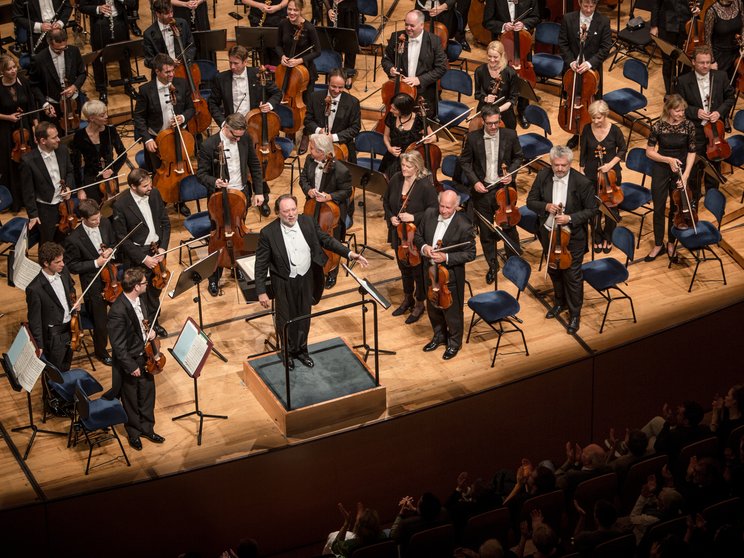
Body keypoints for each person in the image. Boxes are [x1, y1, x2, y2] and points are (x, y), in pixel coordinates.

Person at [254, 194, 368, 370]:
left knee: (304, 316)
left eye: (293, 209)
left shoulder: (308, 222)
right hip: (284, 281)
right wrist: (261, 291)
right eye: (286, 211)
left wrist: (350, 253)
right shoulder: (268, 233)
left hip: (306, 277)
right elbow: (260, 264)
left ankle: (301, 350)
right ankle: (287, 353)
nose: (291, 214)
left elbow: (327, 240)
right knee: (285, 319)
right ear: (278, 213)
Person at [526, 145, 597, 334]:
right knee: (554, 270)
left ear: (570, 164)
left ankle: (575, 314)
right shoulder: (543, 176)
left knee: (572, 277)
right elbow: (530, 202)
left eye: (563, 165)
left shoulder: (582, 182)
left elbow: (592, 210)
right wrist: (546, 206)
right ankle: (560, 302)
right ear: (551, 163)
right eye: (556, 165)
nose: (559, 169)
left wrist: (570, 218)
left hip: (572, 237)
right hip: (548, 233)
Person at [196, 113, 264, 295]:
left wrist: (259, 191)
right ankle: (214, 276)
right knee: (217, 239)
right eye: (235, 136)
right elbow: (201, 174)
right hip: (218, 200)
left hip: (241, 196)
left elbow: (254, 164)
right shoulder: (209, 145)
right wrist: (214, 181)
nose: (237, 139)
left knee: (239, 234)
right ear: (225, 127)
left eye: (240, 136)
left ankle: (238, 266)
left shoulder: (244, 138)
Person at [460, 105, 524, 284]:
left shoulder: (510, 135)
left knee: (509, 226)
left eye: (496, 123)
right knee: (487, 233)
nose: (494, 127)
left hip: (505, 191)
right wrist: (475, 182)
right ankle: (493, 264)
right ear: (483, 122)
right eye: (490, 124)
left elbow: (519, 157)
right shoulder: (473, 138)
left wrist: (510, 173)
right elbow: (464, 161)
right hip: (484, 190)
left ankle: (514, 261)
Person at [107, 266, 166, 451]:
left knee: (148, 394)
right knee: (131, 398)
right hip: (130, 361)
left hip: (146, 355)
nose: (147, 284)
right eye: (144, 283)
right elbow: (117, 345)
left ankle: (148, 428)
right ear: (135, 287)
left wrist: (150, 332)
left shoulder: (141, 300)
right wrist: (131, 365)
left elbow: (144, 324)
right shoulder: (118, 310)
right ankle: (134, 432)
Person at [415, 189, 476, 360]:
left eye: (448, 207)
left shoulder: (464, 225)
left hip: (450, 277)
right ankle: (439, 336)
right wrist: (424, 247)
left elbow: (470, 253)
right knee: (433, 307)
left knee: (452, 313)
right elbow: (418, 236)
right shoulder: (429, 214)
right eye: (441, 206)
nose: (443, 210)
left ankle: (455, 343)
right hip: (430, 271)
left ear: (456, 206)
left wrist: (446, 257)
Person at [133, 53, 194, 216]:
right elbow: (138, 117)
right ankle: (160, 202)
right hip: (156, 139)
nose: (171, 75)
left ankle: (181, 201)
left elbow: (191, 109)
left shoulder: (181, 84)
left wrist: (182, 117)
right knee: (159, 172)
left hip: (177, 137)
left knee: (180, 170)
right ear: (157, 71)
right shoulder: (146, 90)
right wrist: (146, 139)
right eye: (167, 72)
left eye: (172, 71)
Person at [111, 168, 170, 338]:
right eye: (145, 186)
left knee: (155, 290)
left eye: (150, 184)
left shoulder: (155, 193)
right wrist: (144, 258)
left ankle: (154, 322)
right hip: (138, 254)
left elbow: (165, 223)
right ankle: (146, 327)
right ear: (133, 186)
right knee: (142, 294)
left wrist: (163, 248)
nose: (150, 188)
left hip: (157, 248)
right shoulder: (121, 204)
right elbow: (122, 239)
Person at [383, 150, 439, 324]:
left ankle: (420, 303)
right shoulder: (396, 179)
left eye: (408, 166)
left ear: (417, 167)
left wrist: (414, 217)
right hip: (399, 235)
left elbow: (434, 211)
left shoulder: (425, 185)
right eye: (403, 165)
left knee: (418, 272)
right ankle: (408, 298)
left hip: (417, 236)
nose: (404, 168)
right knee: (404, 268)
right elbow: (386, 201)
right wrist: (391, 216)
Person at [676, 45, 735, 202]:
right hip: (695, 129)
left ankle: (712, 196)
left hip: (715, 129)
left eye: (708, 62)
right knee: (695, 165)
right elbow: (679, 106)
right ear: (694, 62)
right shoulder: (683, 81)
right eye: (702, 62)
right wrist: (695, 112)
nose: (705, 66)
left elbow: (730, 97)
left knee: (714, 162)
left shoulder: (721, 76)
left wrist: (719, 112)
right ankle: (694, 197)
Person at [644, 94, 696, 262]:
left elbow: (692, 151)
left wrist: (686, 174)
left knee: (676, 208)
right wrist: (667, 160)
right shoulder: (658, 126)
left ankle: (671, 243)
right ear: (669, 110)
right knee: (658, 208)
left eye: (683, 110)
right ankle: (659, 244)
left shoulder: (688, 126)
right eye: (677, 110)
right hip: (661, 168)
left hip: (680, 170)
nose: (681, 113)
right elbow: (649, 152)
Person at [64, 199, 117, 366]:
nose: (98, 221)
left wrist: (111, 249)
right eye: (94, 220)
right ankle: (101, 352)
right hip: (93, 284)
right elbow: (72, 266)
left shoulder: (105, 222)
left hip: (112, 278)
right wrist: (96, 263)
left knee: (120, 313)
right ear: (83, 219)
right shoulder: (74, 238)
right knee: (101, 324)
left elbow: (114, 242)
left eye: (98, 217)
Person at [299, 133, 352, 290]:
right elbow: (303, 179)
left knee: (332, 243)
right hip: (312, 206)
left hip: (331, 213)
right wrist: (308, 190)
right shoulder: (310, 160)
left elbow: (347, 191)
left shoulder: (341, 170)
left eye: (313, 149)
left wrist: (329, 196)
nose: (310, 151)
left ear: (322, 152)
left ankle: (332, 272)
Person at [558, 0, 613, 148]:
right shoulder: (568, 19)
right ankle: (576, 133)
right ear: (579, 3)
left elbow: (605, 47)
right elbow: (562, 43)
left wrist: (589, 64)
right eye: (585, 6)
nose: (588, 10)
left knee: (593, 105)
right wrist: (571, 62)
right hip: (572, 71)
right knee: (573, 102)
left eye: (592, 6)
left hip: (591, 73)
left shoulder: (603, 21)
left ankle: (592, 136)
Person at [482, 0, 540, 128]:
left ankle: (523, 110)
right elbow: (487, 22)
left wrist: (524, 24)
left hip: (523, 45)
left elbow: (536, 17)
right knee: (502, 80)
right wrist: (503, 26)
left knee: (523, 79)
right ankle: (502, 110)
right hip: (503, 47)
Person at [579, 100, 627, 254]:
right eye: (593, 118)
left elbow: (623, 150)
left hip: (611, 174)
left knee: (611, 206)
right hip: (592, 174)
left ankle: (609, 235)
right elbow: (583, 152)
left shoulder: (615, 131)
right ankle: (597, 235)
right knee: (594, 207)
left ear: (606, 115)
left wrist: (609, 165)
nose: (596, 121)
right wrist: (581, 170)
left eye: (599, 118)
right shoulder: (587, 129)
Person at [382, 10, 448, 118]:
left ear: (421, 25)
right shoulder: (397, 37)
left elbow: (441, 68)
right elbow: (386, 60)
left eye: (412, 25)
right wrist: (390, 69)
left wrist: (419, 80)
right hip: (400, 91)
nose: (408, 28)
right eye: (406, 24)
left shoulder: (434, 41)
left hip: (423, 93)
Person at [21, 121, 78, 246]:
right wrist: (33, 215)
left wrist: (68, 186)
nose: (58, 139)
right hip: (45, 208)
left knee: (66, 236)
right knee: (48, 241)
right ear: (43, 141)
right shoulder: (28, 161)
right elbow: (28, 192)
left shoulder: (62, 150)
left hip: (64, 203)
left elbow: (69, 171)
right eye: (54, 137)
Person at [26, 241, 75, 373]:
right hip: (54, 338)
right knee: (54, 374)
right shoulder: (34, 288)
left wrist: (73, 301)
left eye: (62, 260)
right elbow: (34, 320)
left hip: (71, 329)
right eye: (57, 262)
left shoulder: (64, 272)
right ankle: (51, 394)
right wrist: (39, 345)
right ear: (46, 263)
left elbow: (71, 289)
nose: (63, 264)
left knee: (66, 367)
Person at [0, 55, 39, 212]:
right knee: (11, 164)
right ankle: (15, 201)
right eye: (9, 69)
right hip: (5, 130)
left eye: (14, 67)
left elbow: (31, 104)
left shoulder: (24, 81)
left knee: (28, 163)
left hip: (25, 129)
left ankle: (30, 198)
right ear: (2, 71)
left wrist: (35, 127)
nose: (13, 71)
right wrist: (8, 117)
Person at [207, 45, 281, 128]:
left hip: (255, 125)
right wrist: (223, 123)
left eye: (236, 63)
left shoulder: (258, 74)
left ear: (245, 62)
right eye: (230, 62)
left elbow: (277, 93)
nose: (232, 67)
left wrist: (269, 105)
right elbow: (212, 103)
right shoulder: (221, 78)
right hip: (232, 126)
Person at [29, 29, 87, 130]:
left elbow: (82, 73)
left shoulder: (73, 51)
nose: (61, 51)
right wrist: (44, 103)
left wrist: (74, 86)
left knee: (75, 129)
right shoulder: (39, 59)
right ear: (49, 43)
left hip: (73, 101)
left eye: (64, 48)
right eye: (57, 50)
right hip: (53, 104)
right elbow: (34, 85)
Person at [79, 0, 135, 102]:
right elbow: (82, 6)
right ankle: (102, 89)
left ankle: (128, 85)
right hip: (100, 22)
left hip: (119, 20)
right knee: (99, 56)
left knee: (124, 53)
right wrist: (98, 9)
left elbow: (133, 3)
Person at [301, 68, 361, 162]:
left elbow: (355, 128)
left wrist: (333, 137)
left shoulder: (353, 102)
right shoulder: (315, 97)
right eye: (333, 86)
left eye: (341, 87)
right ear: (328, 82)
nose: (337, 90)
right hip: (319, 148)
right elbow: (308, 121)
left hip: (343, 148)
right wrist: (320, 130)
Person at [71, 100, 127, 202]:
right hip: (92, 179)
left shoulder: (111, 131)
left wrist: (113, 170)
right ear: (91, 118)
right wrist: (80, 189)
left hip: (110, 179)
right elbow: (76, 165)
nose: (106, 116)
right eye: (102, 115)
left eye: (106, 113)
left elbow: (123, 154)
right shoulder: (79, 136)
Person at [379, 93, 435, 179]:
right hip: (392, 158)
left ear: (403, 110)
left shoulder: (419, 120)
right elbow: (386, 136)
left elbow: (433, 136)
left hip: (410, 162)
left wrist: (429, 139)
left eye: (394, 109)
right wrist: (389, 148)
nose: (390, 110)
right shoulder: (392, 116)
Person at [651, 0, 702, 94]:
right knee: (668, 61)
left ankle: (682, 91)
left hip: (687, 23)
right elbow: (656, 3)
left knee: (686, 61)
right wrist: (654, 25)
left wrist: (699, 7)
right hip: (666, 24)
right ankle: (670, 92)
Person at [276, 0, 321, 98]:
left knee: (305, 102)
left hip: (304, 71)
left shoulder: (309, 28)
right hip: (286, 68)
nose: (291, 13)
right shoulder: (283, 23)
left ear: (301, 10)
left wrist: (299, 60)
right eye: (289, 9)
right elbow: (278, 45)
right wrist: (282, 56)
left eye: (295, 10)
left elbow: (318, 51)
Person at [473, 41, 520, 130]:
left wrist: (497, 111)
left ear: (502, 56)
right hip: (485, 110)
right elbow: (477, 94)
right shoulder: (480, 71)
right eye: (489, 56)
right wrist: (485, 98)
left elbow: (513, 98)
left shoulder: (510, 73)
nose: (492, 60)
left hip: (505, 112)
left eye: (495, 57)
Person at [143, 0, 196, 73]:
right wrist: (166, 63)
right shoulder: (148, 34)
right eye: (167, 13)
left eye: (171, 12)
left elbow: (191, 46)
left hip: (183, 68)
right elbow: (149, 61)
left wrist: (184, 60)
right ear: (158, 14)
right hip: (163, 73)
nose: (171, 15)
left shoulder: (182, 24)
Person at [704, 0, 744, 81]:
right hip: (719, 57)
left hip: (736, 54)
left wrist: (743, 40)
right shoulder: (711, 11)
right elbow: (707, 39)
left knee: (732, 87)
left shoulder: (739, 4)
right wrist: (712, 62)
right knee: (718, 87)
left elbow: (743, 25)